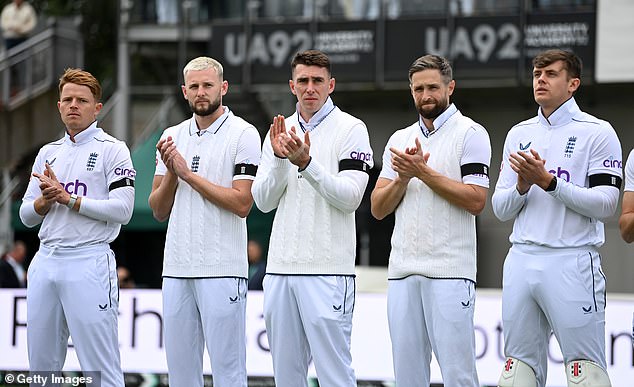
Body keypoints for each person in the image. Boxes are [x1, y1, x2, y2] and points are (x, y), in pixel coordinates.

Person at [492, 49, 619, 387]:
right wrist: (522, 185)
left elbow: (607, 204)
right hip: (521, 257)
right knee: (517, 371)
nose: (541, 80)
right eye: (537, 74)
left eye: (550, 74)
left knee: (585, 373)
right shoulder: (519, 132)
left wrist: (548, 182)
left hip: (572, 259)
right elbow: (500, 209)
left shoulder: (598, 132)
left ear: (573, 83)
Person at [252, 49, 373, 387]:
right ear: (292, 86)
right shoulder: (279, 130)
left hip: (328, 271)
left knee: (335, 375)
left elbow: (350, 198)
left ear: (330, 84)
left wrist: (307, 164)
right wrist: (279, 159)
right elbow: (262, 202)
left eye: (317, 81)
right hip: (280, 270)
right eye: (303, 81)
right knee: (286, 378)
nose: (310, 88)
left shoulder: (352, 128)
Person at [370, 54, 490, 386]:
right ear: (411, 91)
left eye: (433, 87)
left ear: (450, 87)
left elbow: (476, 200)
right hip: (403, 271)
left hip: (451, 271)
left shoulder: (471, 133)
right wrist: (404, 179)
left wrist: (422, 172)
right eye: (419, 89)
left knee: (458, 374)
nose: (426, 96)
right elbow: (378, 208)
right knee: (407, 376)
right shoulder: (399, 139)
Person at [148, 56, 261, 387]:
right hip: (177, 268)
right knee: (181, 374)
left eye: (208, 85)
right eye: (194, 86)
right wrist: (172, 173)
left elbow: (242, 202)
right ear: (184, 91)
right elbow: (158, 208)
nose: (201, 92)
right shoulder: (171, 135)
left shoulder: (244, 134)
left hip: (222, 268)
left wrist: (187, 174)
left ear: (223, 88)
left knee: (228, 372)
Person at [19, 68, 135, 387]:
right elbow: (27, 215)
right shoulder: (48, 153)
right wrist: (46, 201)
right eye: (67, 99)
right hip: (45, 260)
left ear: (96, 108)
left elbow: (123, 210)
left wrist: (69, 199)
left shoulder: (114, 149)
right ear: (58, 106)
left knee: (99, 367)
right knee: (41, 368)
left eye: (82, 100)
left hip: (89, 261)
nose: (73, 105)